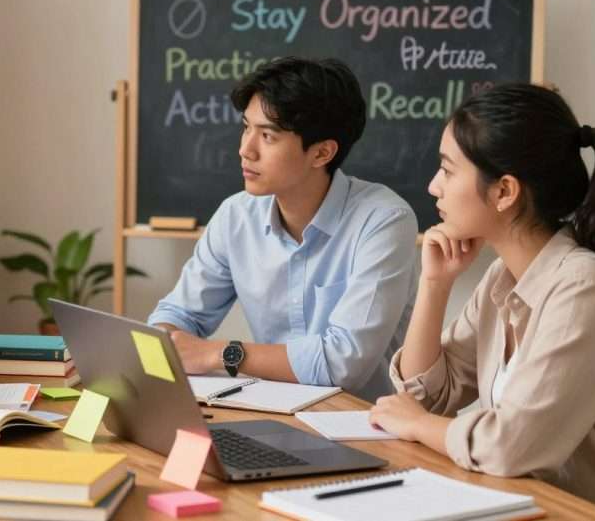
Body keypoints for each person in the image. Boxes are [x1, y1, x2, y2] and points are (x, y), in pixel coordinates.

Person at [369, 83, 595, 519]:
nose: (434, 186)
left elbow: (509, 446)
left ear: (504, 192)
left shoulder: (585, 287)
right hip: (536, 502)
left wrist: (417, 425)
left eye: (448, 170)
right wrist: (435, 286)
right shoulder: (505, 276)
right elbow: (431, 398)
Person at [148, 57, 418, 401]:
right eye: (246, 127)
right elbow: (179, 314)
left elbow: (345, 363)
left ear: (321, 153)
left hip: (365, 427)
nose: (245, 149)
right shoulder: (236, 215)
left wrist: (220, 354)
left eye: (267, 136)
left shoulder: (384, 220)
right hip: (268, 413)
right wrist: (165, 341)